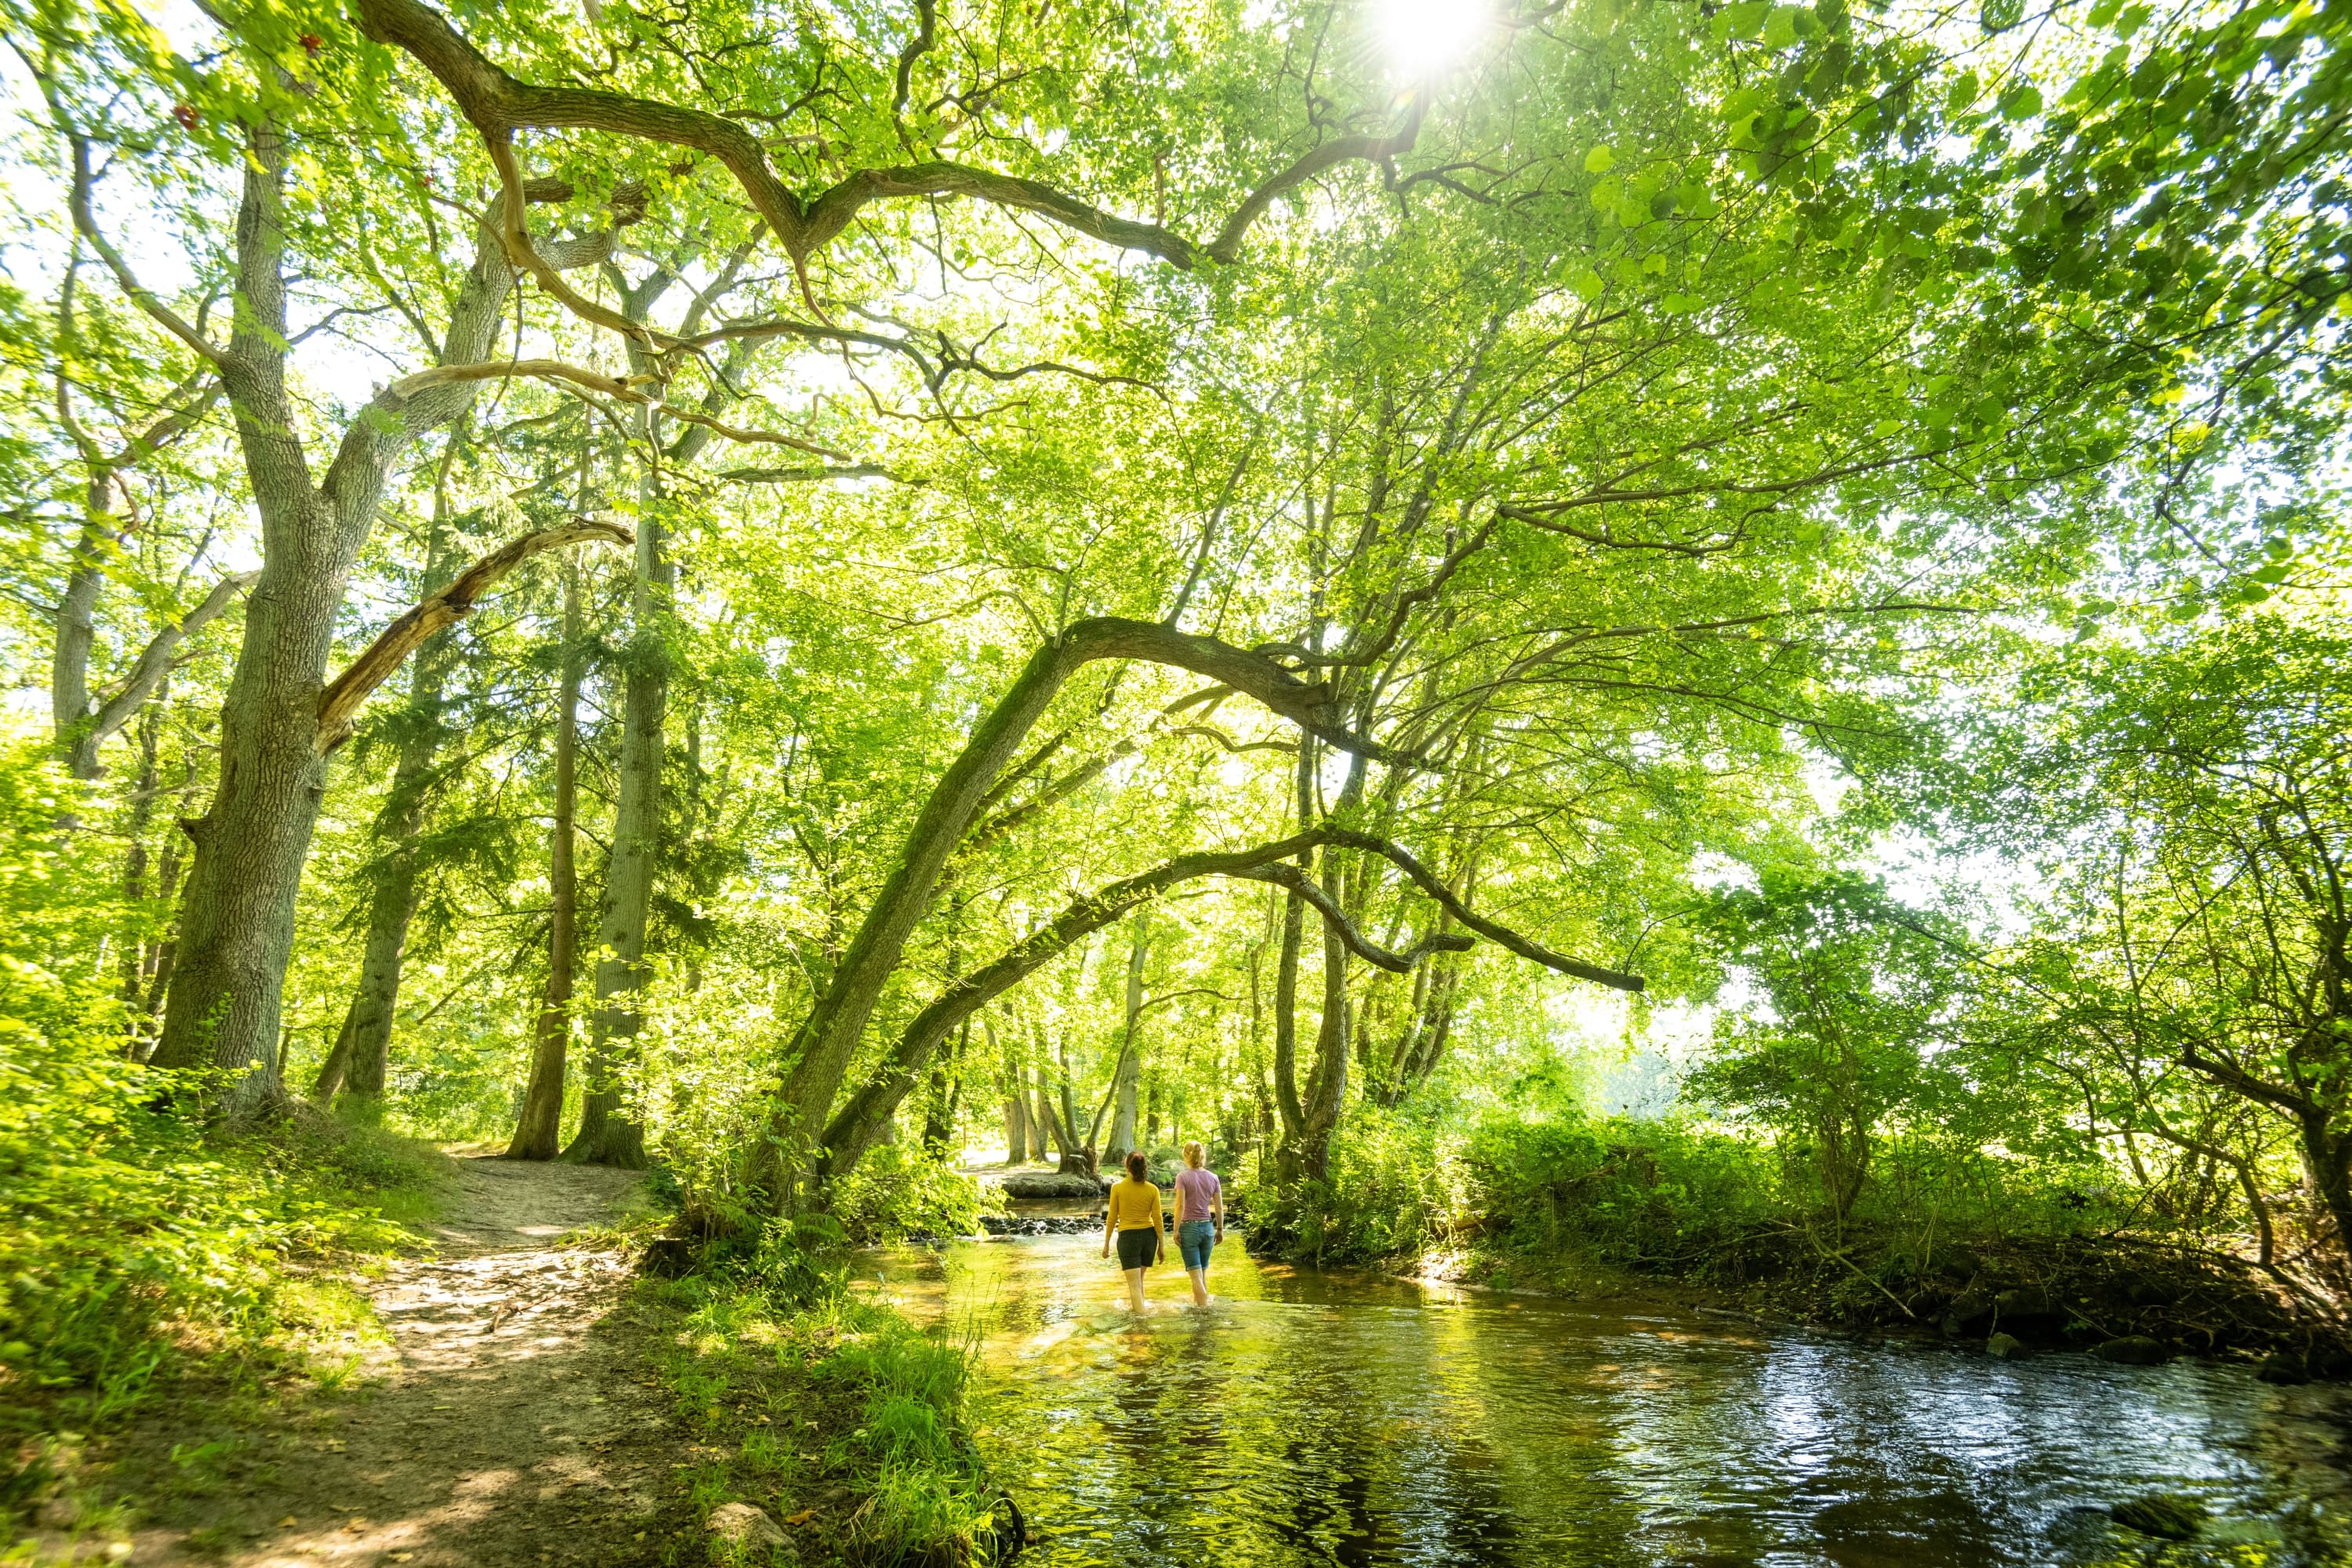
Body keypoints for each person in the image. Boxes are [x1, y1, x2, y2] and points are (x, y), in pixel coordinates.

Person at [1102, 1149, 1162, 1312]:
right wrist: (1161, 1247)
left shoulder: (1117, 1188)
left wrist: (1106, 1243)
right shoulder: (1153, 1189)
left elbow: (1112, 1218)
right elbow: (1157, 1219)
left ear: (1127, 1166)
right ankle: (1141, 1309)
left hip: (1128, 1238)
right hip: (1149, 1238)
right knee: (1140, 1280)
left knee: (1134, 1285)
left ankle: (1141, 1323)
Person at [1172, 1140, 1224, 1307]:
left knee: (1195, 1277)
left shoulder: (1182, 1177)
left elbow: (1180, 1206)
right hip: (1208, 1228)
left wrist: (1175, 1230)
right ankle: (1199, 1308)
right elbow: (1219, 1207)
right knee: (1202, 1275)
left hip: (1189, 1228)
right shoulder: (1213, 1177)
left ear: (1186, 1156)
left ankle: (1204, 1312)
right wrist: (1220, 1229)